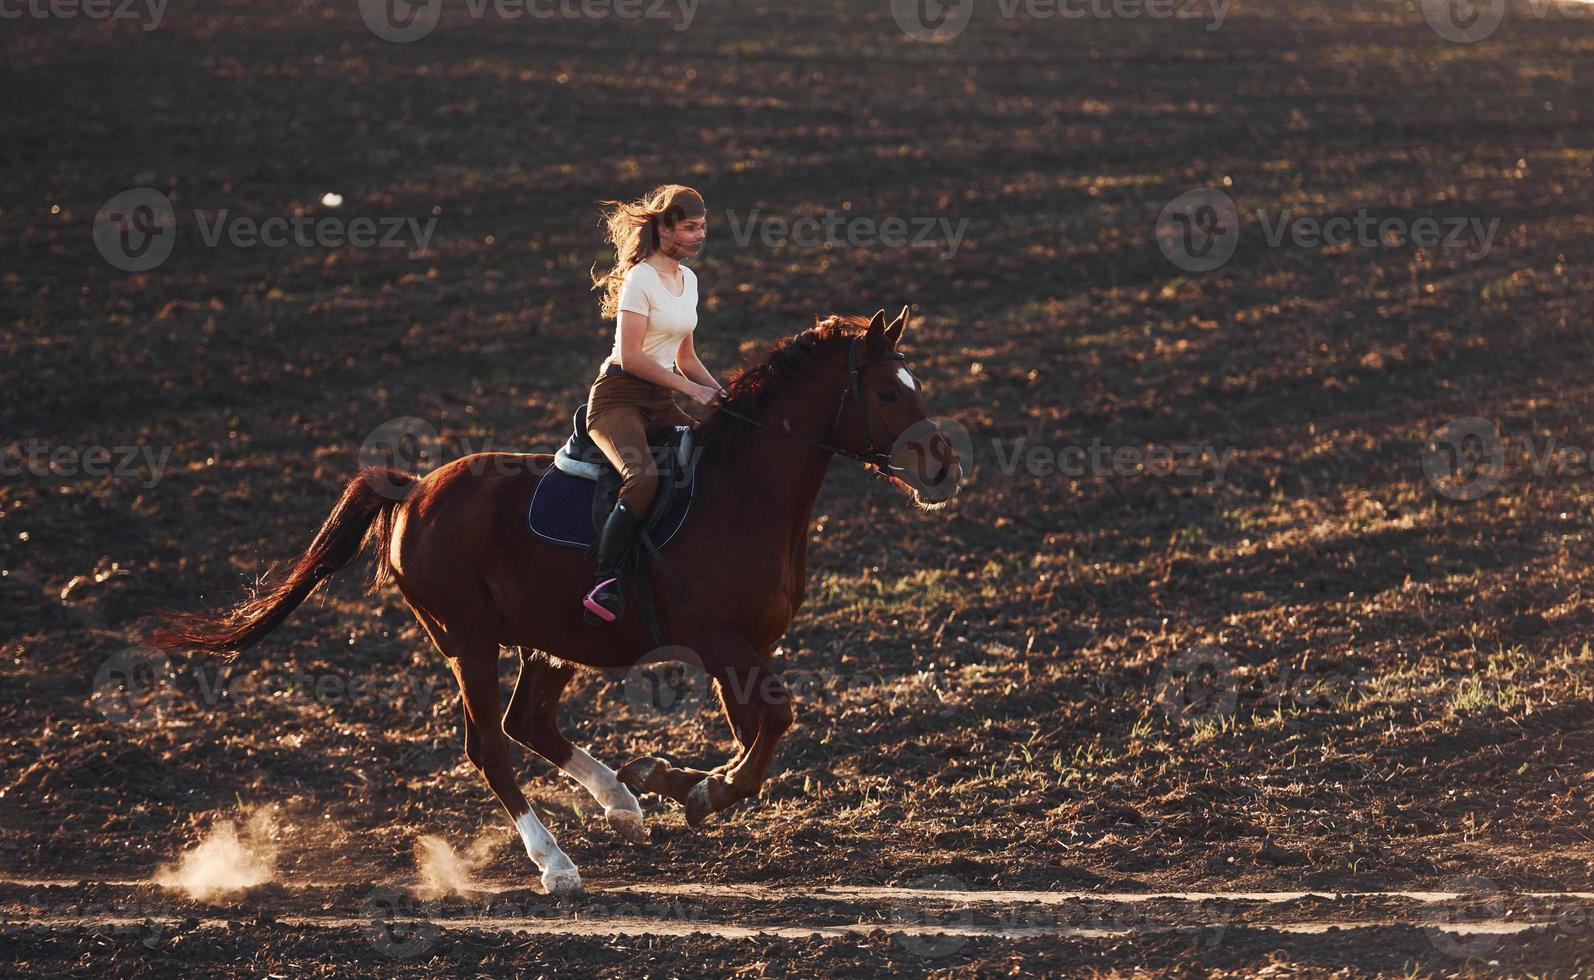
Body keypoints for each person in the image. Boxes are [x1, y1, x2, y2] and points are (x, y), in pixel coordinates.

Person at [581, 184, 725, 625]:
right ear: (664, 227)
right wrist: (691, 392)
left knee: (707, 460)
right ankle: (605, 581)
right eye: (691, 228)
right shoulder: (640, 277)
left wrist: (721, 393)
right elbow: (632, 356)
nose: (700, 236)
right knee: (641, 478)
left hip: (658, 399)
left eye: (703, 227)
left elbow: (686, 357)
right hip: (618, 397)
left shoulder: (690, 281)